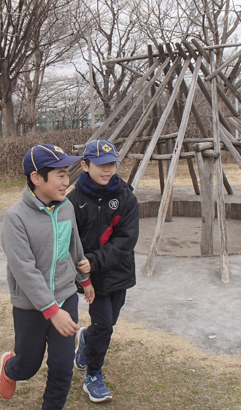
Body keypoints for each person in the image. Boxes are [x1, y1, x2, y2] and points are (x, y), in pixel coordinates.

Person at [0, 144, 95, 410]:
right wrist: (51, 310)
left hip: (65, 298)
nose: (67, 182)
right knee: (28, 365)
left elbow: (73, 245)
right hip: (31, 306)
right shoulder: (15, 218)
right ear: (36, 178)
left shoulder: (66, 207)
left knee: (63, 368)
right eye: (60, 175)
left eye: (68, 174)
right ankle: (10, 367)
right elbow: (24, 270)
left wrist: (83, 279)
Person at [67, 139, 139, 403]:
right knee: (105, 325)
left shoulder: (126, 196)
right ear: (85, 165)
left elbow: (126, 240)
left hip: (118, 273)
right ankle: (93, 376)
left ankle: (86, 338)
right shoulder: (72, 200)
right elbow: (70, 240)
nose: (107, 170)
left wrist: (95, 260)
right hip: (91, 279)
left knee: (108, 323)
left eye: (111, 164)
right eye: (100, 164)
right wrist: (85, 270)